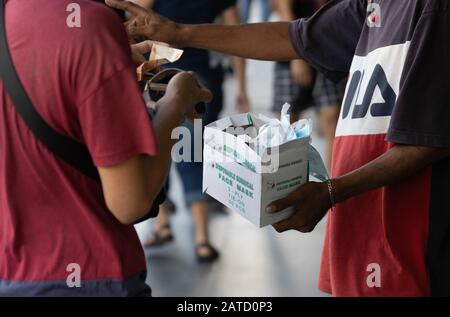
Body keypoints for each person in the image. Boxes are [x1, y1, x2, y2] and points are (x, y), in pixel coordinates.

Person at [108, 0, 450, 296]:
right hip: (366, 233)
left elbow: (427, 142)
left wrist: (331, 191)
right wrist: (178, 32)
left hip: (415, 242)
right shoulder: (371, 5)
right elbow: (294, 37)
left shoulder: (434, 9)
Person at [0, 0, 211, 296]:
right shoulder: (91, 26)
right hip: (92, 274)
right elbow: (131, 202)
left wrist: (113, 61)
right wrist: (175, 102)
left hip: (12, 271)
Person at [131, 0, 250, 263]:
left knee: (169, 147)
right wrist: (242, 86)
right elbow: (236, 32)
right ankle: (194, 234)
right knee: (188, 150)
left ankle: (187, 232)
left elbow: (133, 14)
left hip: (174, 78)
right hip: (195, 78)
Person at [273, 0, 346, 169]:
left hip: (328, 48)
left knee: (332, 115)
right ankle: (287, 182)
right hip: (292, 49)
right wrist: (296, 57)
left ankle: (333, 184)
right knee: (288, 121)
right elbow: (284, 10)